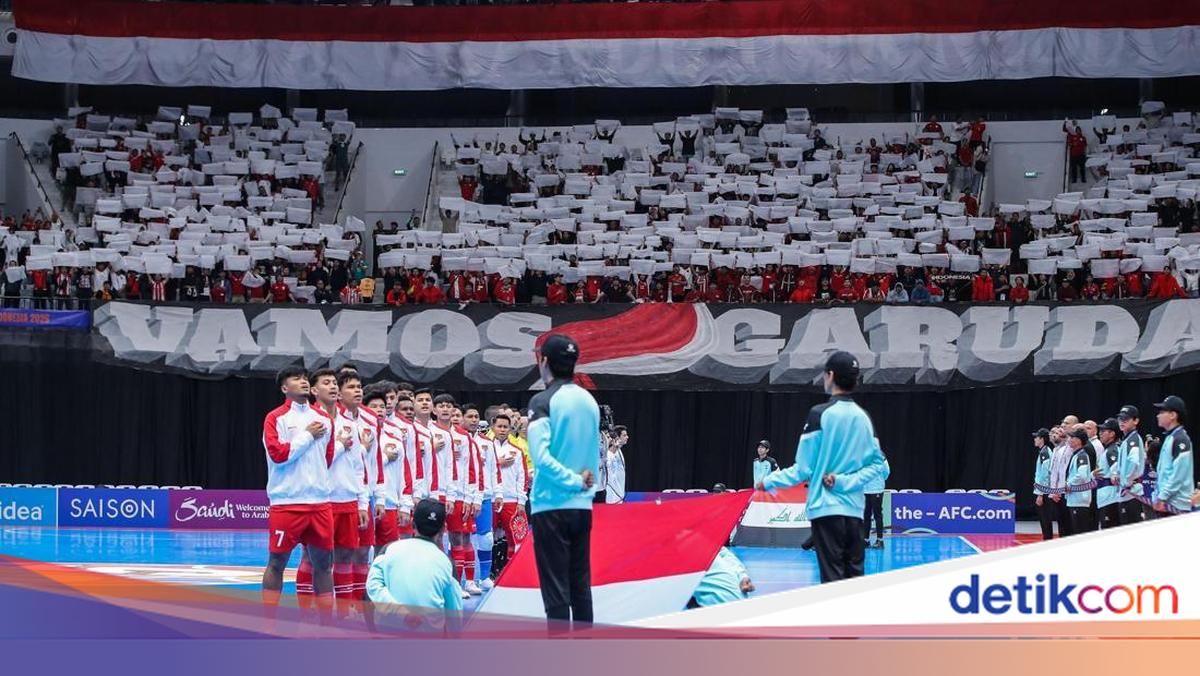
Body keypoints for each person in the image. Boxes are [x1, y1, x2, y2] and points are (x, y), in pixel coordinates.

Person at [756, 351, 888, 583]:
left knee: (832, 582)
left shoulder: (819, 415)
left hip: (826, 510)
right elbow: (878, 463)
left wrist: (768, 482)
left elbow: (802, 469)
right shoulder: (863, 418)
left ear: (830, 375)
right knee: (855, 581)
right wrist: (847, 482)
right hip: (854, 511)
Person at [527, 334, 600, 628]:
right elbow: (592, 453)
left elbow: (541, 458)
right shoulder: (589, 400)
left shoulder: (543, 401)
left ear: (544, 361)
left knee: (556, 587)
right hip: (582, 507)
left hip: (551, 505)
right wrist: (584, 486)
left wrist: (572, 481)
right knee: (580, 584)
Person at [261, 366, 341, 624]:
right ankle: (269, 621)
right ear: (285, 388)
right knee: (276, 563)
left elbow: (327, 458)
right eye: (296, 379)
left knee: (324, 565)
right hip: (287, 504)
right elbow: (278, 454)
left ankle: (327, 623)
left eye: (305, 378)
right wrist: (307, 435)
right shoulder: (275, 418)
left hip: (319, 505)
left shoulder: (324, 419)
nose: (304, 382)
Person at [366, 499, 464, 632]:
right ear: (443, 529)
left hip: (387, 634)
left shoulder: (388, 550)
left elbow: (372, 587)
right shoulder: (447, 562)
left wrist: (400, 612)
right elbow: (455, 614)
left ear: (412, 524)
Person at [491, 412, 527, 577]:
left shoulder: (517, 451)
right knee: (489, 537)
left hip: (512, 499)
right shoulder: (485, 447)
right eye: (499, 426)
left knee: (514, 538)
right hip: (490, 499)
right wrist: (498, 463)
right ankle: (491, 571)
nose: (502, 429)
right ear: (493, 427)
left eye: (505, 427)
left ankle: (513, 573)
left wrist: (521, 501)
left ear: (510, 429)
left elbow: (522, 477)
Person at [1151, 396, 1193, 516]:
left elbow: (1178, 474)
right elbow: (1164, 472)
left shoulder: (1180, 439)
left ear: (1173, 415)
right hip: (1167, 503)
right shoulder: (1170, 437)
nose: (1158, 415)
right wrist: (1158, 495)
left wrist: (1163, 496)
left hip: (1175, 505)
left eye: (1162, 412)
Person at [1109, 405, 1148, 525]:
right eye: (1120, 418)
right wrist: (1117, 474)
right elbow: (1123, 463)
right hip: (1127, 492)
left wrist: (1126, 482)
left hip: (1131, 493)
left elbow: (1133, 461)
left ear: (1136, 421)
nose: (1122, 422)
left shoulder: (1133, 440)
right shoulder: (1127, 439)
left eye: (1126, 419)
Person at [688, 546, 754, 608]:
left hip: (724, 608)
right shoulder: (706, 542)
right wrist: (742, 575)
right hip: (742, 604)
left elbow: (724, 553)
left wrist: (742, 575)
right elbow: (725, 553)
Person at [1092, 418, 1122, 529]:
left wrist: (1114, 475)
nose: (1100, 433)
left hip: (1110, 498)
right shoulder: (1108, 449)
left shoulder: (1112, 450)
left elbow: (1116, 467)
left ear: (1112, 434)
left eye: (1103, 431)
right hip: (1105, 497)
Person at [1064, 429, 1095, 534]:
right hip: (1075, 498)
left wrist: (1068, 484)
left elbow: (1082, 475)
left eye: (1072, 437)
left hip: (1079, 499)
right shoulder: (1076, 455)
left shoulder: (1082, 456)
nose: (1069, 439)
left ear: (1079, 440)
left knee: (1080, 531)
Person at [862, 446, 889, 548]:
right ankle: (866, 540)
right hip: (865, 490)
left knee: (877, 514)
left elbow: (886, 472)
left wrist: (879, 481)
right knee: (866, 515)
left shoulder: (881, 456)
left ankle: (880, 540)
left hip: (876, 489)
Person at [1031, 427, 1055, 540]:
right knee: (1044, 518)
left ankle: (1047, 540)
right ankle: (1047, 538)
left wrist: (1040, 494)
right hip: (1043, 490)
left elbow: (1045, 475)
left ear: (1042, 439)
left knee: (1045, 518)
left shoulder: (1045, 453)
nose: (1035, 439)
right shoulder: (1043, 451)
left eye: (1036, 437)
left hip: (1044, 491)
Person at [604, 425, 628, 504]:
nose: (627, 437)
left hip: (620, 495)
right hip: (612, 497)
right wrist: (614, 447)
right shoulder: (608, 455)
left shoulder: (619, 451)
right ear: (617, 438)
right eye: (624, 435)